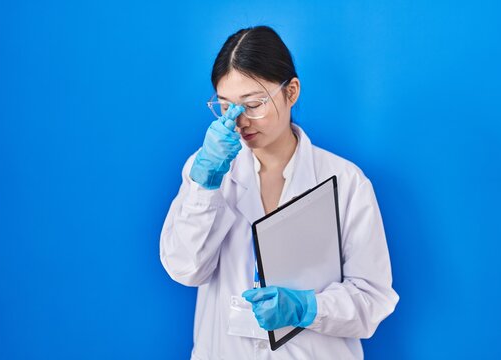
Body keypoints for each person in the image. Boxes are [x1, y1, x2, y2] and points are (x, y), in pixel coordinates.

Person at [160, 25, 399, 359]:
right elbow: (185, 269)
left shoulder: (346, 182)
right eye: (227, 107)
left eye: (254, 103)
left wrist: (307, 307)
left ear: (291, 92)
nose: (240, 121)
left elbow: (372, 300)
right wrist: (205, 185)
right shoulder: (207, 170)